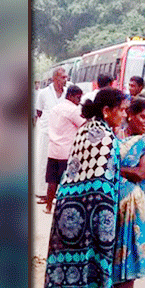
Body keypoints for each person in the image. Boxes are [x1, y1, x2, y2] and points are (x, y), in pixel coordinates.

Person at [43, 88, 127, 288]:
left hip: (77, 211)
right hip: (83, 217)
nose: (124, 115)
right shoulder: (100, 136)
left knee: (86, 268)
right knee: (76, 269)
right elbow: (98, 183)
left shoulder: (92, 129)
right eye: (122, 110)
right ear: (107, 111)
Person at [113, 97, 145, 288]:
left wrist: (114, 168)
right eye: (143, 117)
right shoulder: (113, 137)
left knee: (126, 260)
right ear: (129, 114)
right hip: (109, 204)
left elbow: (142, 173)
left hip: (131, 210)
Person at [44, 85, 84, 213]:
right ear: (71, 96)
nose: (79, 100)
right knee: (66, 182)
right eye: (78, 97)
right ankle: (62, 209)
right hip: (67, 152)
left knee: (52, 181)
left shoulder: (55, 108)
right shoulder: (73, 110)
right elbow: (83, 125)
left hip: (53, 149)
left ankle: (48, 206)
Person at [34, 66, 68, 203]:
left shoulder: (67, 92)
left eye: (66, 77)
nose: (66, 80)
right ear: (55, 78)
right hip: (47, 132)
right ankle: (43, 193)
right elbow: (39, 111)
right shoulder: (43, 93)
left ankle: (56, 193)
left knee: (60, 164)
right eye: (63, 77)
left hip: (62, 134)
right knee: (44, 162)